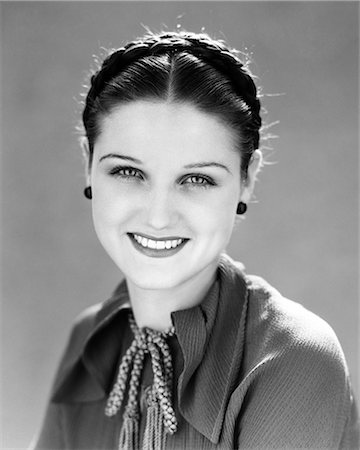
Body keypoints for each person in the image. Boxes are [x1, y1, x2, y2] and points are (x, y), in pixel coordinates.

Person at [31, 30, 359, 449]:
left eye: (198, 179)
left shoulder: (295, 359)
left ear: (246, 180)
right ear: (88, 165)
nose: (158, 215)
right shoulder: (88, 341)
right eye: (129, 172)